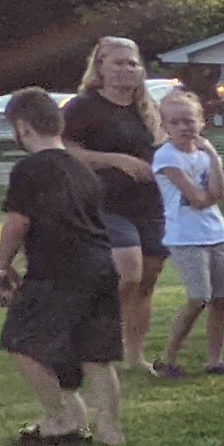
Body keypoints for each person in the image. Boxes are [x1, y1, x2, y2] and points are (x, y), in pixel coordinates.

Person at [0, 88, 124, 446]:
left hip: (58, 268)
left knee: (23, 343)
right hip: (100, 265)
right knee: (97, 353)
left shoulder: (30, 168)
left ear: (23, 127)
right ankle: (110, 431)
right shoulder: (82, 168)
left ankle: (59, 418)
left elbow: (18, 223)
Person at [62, 37, 166, 374]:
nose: (126, 69)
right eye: (117, 62)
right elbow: (63, 149)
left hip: (150, 205)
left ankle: (135, 356)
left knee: (147, 279)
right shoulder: (83, 107)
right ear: (100, 66)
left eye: (132, 63)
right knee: (127, 273)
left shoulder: (148, 110)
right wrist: (115, 160)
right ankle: (98, 340)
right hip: (105, 203)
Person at [150, 88, 224, 377]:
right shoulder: (166, 157)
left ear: (200, 121)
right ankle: (167, 358)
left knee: (221, 297)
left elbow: (221, 193)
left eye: (189, 120)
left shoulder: (204, 154)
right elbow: (198, 199)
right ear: (164, 126)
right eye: (174, 122)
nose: (183, 127)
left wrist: (213, 156)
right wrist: (210, 193)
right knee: (198, 296)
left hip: (214, 232)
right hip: (185, 236)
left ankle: (215, 359)